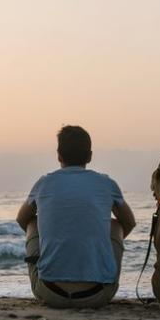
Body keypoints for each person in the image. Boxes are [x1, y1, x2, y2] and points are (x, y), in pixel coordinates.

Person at [16, 125, 136, 308]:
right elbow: (129, 222)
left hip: (50, 292)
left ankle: (50, 266)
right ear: (89, 156)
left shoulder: (44, 184)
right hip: (98, 294)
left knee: (33, 221)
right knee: (116, 225)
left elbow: (21, 219)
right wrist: (99, 244)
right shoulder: (107, 184)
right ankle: (99, 268)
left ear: (59, 155)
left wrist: (50, 236)